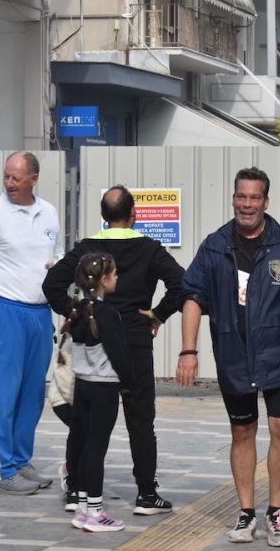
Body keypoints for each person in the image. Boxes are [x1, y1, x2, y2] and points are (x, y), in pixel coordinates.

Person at [175, 167, 280, 548]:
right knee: (242, 432)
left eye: (255, 198)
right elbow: (192, 296)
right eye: (241, 197)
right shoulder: (215, 246)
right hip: (233, 356)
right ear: (234, 199)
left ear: (266, 201)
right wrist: (188, 351)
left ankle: (276, 511)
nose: (247, 204)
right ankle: (246, 512)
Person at [43, 184, 184, 514]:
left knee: (85, 420)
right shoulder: (150, 249)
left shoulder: (86, 248)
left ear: (103, 216)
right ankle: (146, 494)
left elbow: (51, 284)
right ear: (134, 213)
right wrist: (158, 314)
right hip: (134, 339)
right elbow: (182, 282)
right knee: (140, 419)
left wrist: (77, 311)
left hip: (92, 343)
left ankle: (77, 490)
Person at [0, 151, 63, 495]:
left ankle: (21, 461)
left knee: (32, 395)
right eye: (6, 176)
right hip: (4, 311)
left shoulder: (49, 212)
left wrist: (58, 269)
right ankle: (0, 471)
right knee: (4, 395)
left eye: (16, 178)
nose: (9, 183)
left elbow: (57, 256)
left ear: (34, 179)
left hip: (40, 313)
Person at [67, 253, 138, 532]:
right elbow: (119, 352)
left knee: (86, 446)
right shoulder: (107, 313)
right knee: (97, 448)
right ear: (104, 280)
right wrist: (130, 382)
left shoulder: (78, 310)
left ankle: (83, 507)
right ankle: (96, 513)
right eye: (115, 273)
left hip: (83, 384)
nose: (117, 277)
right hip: (103, 386)